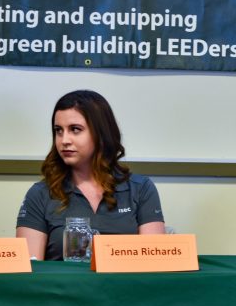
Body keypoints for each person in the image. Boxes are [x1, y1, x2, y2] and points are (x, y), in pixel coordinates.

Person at [16, 90, 166, 260]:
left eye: (75, 129)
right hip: (63, 287)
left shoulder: (141, 189)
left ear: (101, 134)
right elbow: (29, 270)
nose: (64, 140)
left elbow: (154, 263)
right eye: (58, 130)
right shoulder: (40, 193)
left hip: (124, 286)